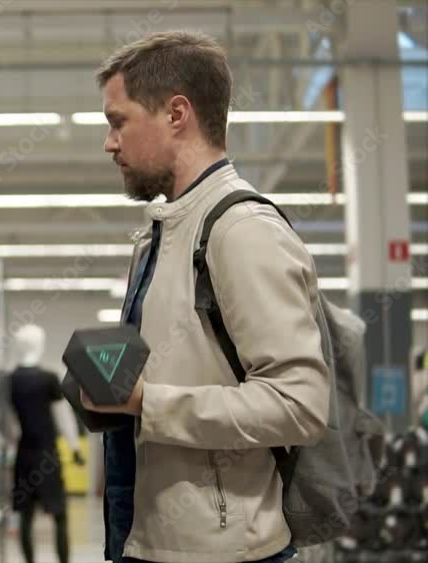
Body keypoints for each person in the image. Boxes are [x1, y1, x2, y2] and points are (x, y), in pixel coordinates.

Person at [78, 31, 331, 563]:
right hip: (151, 538)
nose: (109, 142)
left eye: (117, 121)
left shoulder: (241, 231)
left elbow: (300, 404)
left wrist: (149, 402)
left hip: (226, 551)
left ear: (176, 114)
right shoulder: (159, 235)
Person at [8, 324, 85, 563]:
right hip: (47, 456)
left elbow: (8, 422)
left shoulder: (10, 381)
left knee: (25, 515)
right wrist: (74, 447)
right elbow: (63, 417)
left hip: (24, 455)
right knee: (60, 515)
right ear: (39, 346)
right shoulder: (48, 379)